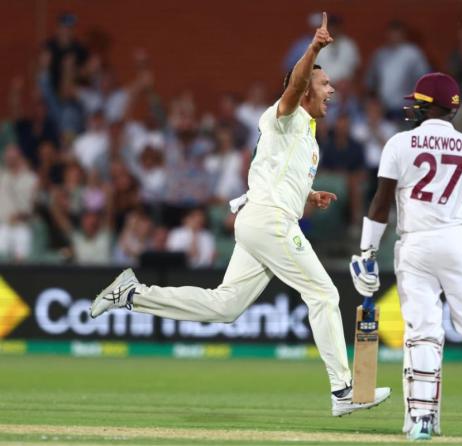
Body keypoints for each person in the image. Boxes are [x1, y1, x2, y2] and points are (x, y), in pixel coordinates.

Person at [90, 13, 390, 416]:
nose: (331, 88)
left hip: (261, 221)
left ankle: (132, 294)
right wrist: (314, 49)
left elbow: (277, 179)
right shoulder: (283, 115)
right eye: (324, 83)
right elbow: (294, 85)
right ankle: (342, 392)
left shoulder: (310, 139)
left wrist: (309, 196)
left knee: (225, 307)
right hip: (267, 221)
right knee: (324, 293)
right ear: (303, 91)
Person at [350, 73, 462, 440]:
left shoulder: (400, 144)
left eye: (418, 100)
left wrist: (367, 252)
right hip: (458, 242)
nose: (413, 105)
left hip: (416, 246)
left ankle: (421, 418)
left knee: (423, 333)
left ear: (430, 105)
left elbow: (381, 203)